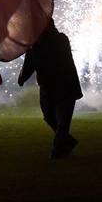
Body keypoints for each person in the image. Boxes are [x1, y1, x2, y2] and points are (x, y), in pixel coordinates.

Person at [18, 19, 83, 159]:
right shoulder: (38, 42)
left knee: (62, 120)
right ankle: (67, 142)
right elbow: (31, 61)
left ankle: (58, 150)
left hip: (65, 85)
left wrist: (23, 76)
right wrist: (23, 76)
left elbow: (32, 60)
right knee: (50, 117)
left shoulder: (59, 40)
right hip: (49, 86)